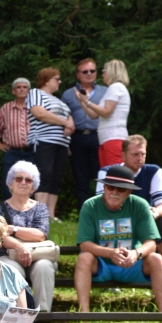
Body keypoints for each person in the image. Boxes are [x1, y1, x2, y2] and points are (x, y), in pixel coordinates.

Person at [75, 165, 162, 313]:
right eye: (110, 187)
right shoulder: (90, 205)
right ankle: (84, 315)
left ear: (129, 191)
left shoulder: (140, 205)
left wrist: (136, 253)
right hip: (102, 265)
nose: (114, 192)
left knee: (156, 259)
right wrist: (111, 253)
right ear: (104, 187)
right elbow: (84, 244)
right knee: (84, 258)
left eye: (121, 189)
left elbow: (151, 243)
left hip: (133, 264)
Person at [96, 135, 162, 274]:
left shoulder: (153, 171)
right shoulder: (107, 173)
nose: (140, 158)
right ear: (123, 155)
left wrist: (155, 213)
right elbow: (101, 205)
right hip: (114, 221)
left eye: (143, 154)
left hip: (144, 222)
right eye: (135, 154)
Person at [0, 161, 56, 312]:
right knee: (10, 269)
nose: (23, 182)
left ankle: (43, 314)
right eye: (18, 178)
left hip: (37, 255)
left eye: (28, 180)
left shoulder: (40, 208)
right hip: (8, 255)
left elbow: (40, 235)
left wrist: (12, 229)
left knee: (44, 267)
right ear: (10, 183)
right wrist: (19, 246)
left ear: (33, 186)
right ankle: (18, 315)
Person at [26, 68, 75, 221]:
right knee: (45, 174)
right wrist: (65, 122)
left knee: (56, 177)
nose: (60, 82)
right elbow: (39, 113)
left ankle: (51, 215)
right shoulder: (35, 93)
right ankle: (40, 215)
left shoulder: (59, 101)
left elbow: (69, 118)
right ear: (47, 80)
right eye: (57, 79)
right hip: (43, 141)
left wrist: (69, 124)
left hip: (62, 144)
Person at [61, 58, 107, 209]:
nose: (89, 74)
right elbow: (62, 117)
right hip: (77, 138)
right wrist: (66, 142)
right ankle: (84, 212)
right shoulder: (68, 94)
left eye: (92, 71)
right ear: (78, 75)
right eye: (85, 71)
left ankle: (101, 210)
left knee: (101, 175)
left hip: (98, 136)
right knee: (80, 177)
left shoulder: (105, 91)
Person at [76, 59, 131, 168]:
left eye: (104, 71)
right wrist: (82, 101)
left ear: (111, 72)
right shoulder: (115, 88)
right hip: (107, 139)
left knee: (115, 176)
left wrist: (87, 101)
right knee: (108, 176)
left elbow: (106, 112)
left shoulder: (115, 87)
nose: (102, 75)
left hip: (114, 138)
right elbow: (94, 115)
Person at [0, 78, 35, 201]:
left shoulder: (35, 108)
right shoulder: (6, 108)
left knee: (32, 180)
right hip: (12, 151)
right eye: (18, 87)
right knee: (9, 181)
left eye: (25, 87)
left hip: (32, 151)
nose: (22, 89)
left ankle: (29, 210)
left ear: (29, 91)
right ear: (13, 91)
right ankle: (7, 212)